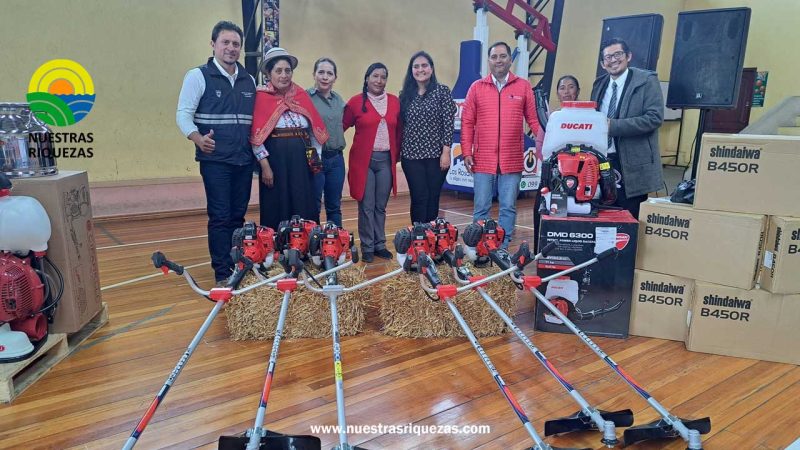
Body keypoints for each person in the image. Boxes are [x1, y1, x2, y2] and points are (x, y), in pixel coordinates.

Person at [176, 20, 256, 285]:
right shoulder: (197, 76)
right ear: (213, 45)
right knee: (220, 217)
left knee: (237, 217)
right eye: (226, 42)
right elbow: (183, 114)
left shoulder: (249, 80)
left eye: (236, 44)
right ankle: (222, 273)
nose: (231, 48)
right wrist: (197, 138)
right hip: (215, 162)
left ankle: (237, 266)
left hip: (244, 161)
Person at [460, 41, 540, 250]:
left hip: (511, 159)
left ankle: (501, 250)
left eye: (503, 56)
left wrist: (545, 142)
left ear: (510, 60)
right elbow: (467, 122)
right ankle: (479, 248)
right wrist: (467, 151)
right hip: (483, 159)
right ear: (488, 61)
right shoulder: (476, 88)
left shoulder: (523, 86)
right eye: (494, 57)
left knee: (508, 208)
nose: (499, 61)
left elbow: (532, 119)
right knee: (481, 208)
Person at [250, 47, 329, 231]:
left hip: (301, 161)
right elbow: (256, 136)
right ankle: (277, 250)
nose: (284, 75)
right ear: (269, 73)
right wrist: (265, 166)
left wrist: (315, 161)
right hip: (275, 161)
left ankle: (306, 246)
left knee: (303, 200)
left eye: (287, 70)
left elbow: (313, 131)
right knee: (277, 203)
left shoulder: (301, 95)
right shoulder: (260, 97)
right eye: (278, 71)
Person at [590, 37, 664, 219]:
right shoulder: (599, 84)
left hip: (632, 166)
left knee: (628, 219)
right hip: (602, 160)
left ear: (628, 56)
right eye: (608, 57)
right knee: (602, 216)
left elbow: (654, 118)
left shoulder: (646, 80)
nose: (613, 60)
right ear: (602, 63)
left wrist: (613, 126)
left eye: (618, 54)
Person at [343, 63, 401, 263]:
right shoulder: (355, 102)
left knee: (380, 206)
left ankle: (380, 244)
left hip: (385, 161)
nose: (379, 80)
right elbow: (340, 126)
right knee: (366, 205)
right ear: (367, 78)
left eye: (383, 77)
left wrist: (398, 155)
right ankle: (367, 246)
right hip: (363, 162)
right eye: (375, 76)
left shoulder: (394, 102)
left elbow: (399, 131)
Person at [399, 51, 456, 224]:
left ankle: (431, 238)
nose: (420, 69)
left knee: (433, 198)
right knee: (419, 197)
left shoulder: (442, 91)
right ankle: (418, 238)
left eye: (424, 65)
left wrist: (446, 152)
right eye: (416, 66)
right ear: (411, 71)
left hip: (436, 156)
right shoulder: (405, 95)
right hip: (411, 157)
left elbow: (448, 123)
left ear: (431, 69)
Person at [533, 74, 580, 250]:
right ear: (557, 93)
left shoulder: (586, 115)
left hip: (579, 177)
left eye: (571, 87)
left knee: (573, 214)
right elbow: (540, 147)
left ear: (577, 91)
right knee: (545, 210)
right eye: (562, 87)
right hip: (553, 176)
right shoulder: (550, 117)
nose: (566, 91)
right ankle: (541, 251)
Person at [308, 57, 346, 227]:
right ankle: (314, 245)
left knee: (334, 205)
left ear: (334, 78)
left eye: (329, 73)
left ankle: (336, 243)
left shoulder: (339, 101)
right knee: (313, 202)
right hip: (313, 156)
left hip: (336, 158)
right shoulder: (306, 98)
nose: (325, 77)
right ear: (314, 75)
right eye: (321, 72)